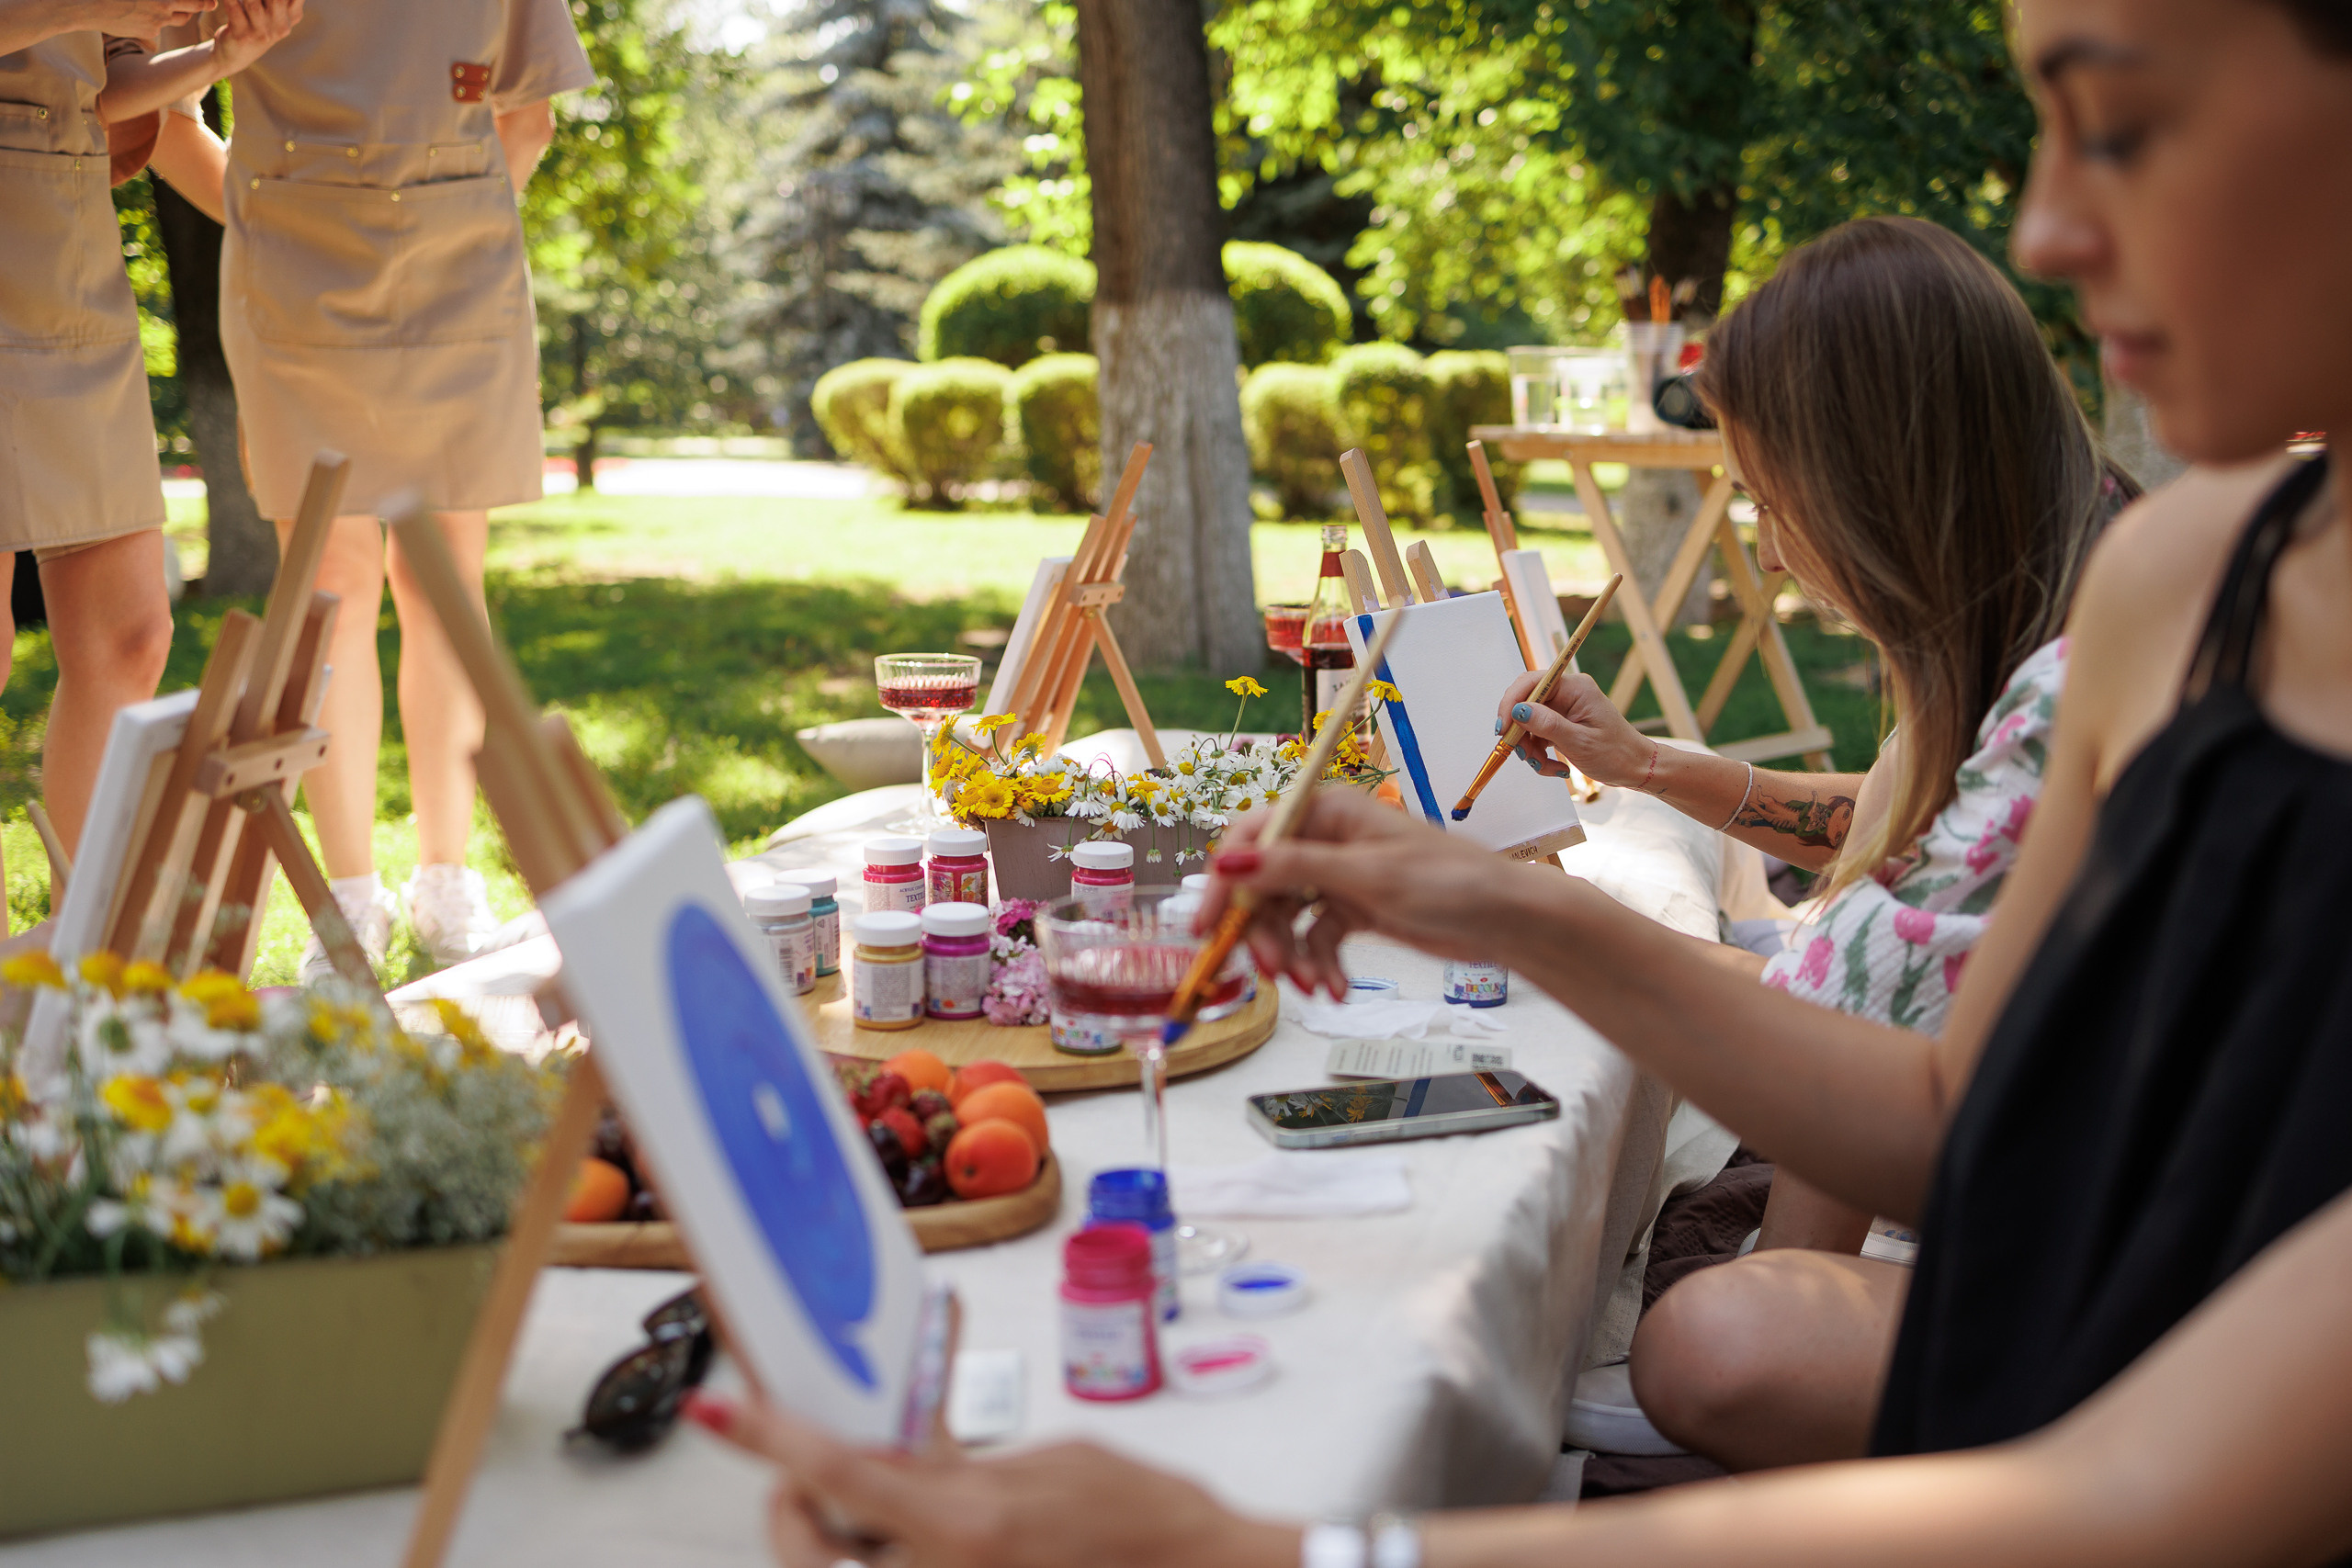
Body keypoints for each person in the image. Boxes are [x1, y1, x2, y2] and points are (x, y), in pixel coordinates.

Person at [683, 1, 2352, 1562]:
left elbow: (2136, 1483)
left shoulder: (2132, 609)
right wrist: (1495, 891)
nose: (2047, 231)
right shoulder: (2176, 582)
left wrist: (1269, 1546)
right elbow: (1962, 1129)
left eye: (2120, 122)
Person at [1501, 215, 2133, 1470]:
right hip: (2018, 1196)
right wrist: (1642, 766)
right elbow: (1902, 825)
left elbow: (1851, 1005)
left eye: (1774, 500)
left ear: (1882, 480)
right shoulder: (2053, 595)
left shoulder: (2086, 668)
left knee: (1706, 1339)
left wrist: (1541, 925)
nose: (1776, 545)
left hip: (2097, 1257)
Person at [189, 0, 594, 976]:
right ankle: (432, 891)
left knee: (333, 593)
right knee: (440, 590)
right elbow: (526, 120)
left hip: (320, 277)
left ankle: (360, 901)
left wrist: (279, 212)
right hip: (430, 273)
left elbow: (164, 120)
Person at [0, 0, 217, 854]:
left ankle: (80, 962)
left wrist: (222, 55)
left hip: (66, 235)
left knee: (132, 634)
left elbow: (115, 86)